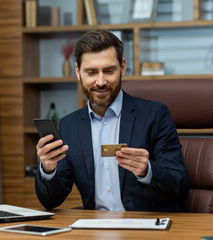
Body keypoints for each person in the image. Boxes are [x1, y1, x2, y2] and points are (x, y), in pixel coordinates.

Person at [35, 29, 189, 212]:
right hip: (94, 229)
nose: (100, 81)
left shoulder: (155, 115)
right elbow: (50, 201)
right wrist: (48, 169)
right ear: (77, 71)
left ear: (122, 67)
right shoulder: (69, 126)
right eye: (91, 72)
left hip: (146, 228)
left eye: (108, 71)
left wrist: (147, 171)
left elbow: (180, 187)